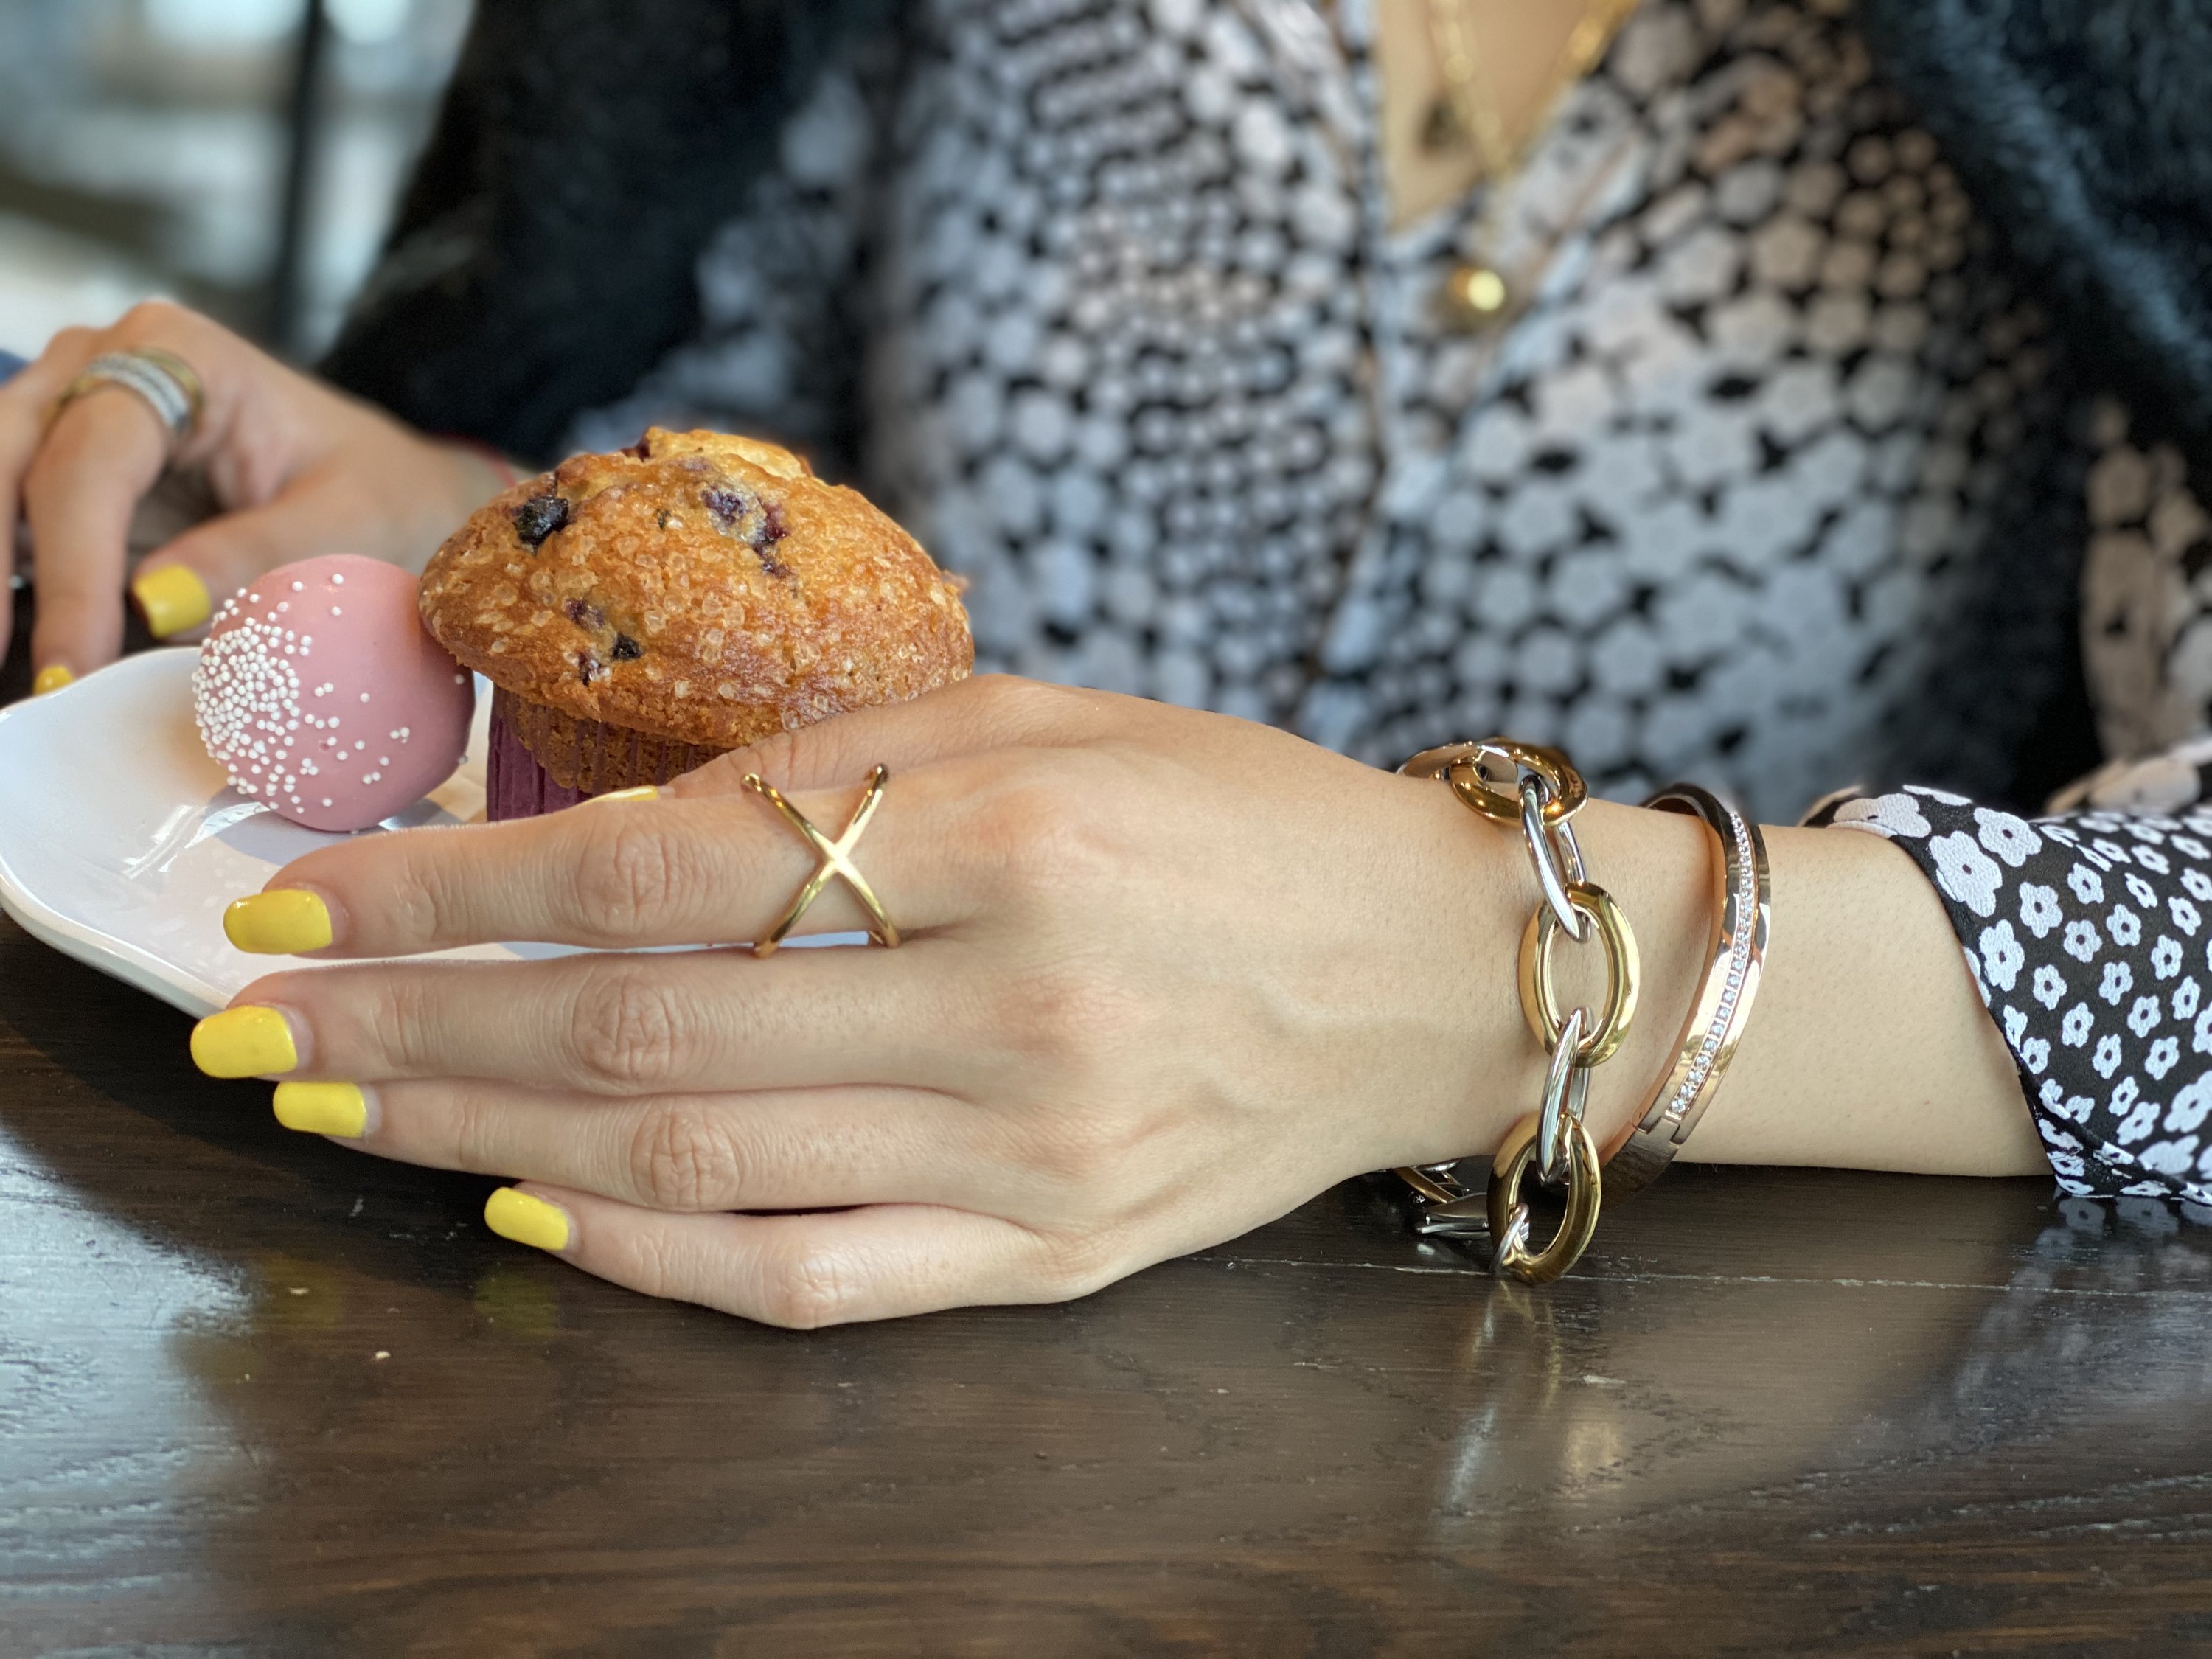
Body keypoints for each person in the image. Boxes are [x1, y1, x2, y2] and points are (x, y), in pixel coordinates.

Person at [4, 0, 2211, 1324]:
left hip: (1659, 1444)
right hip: (747, 1359)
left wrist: (1493, 966)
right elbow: (746, 482)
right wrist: (453, 509)